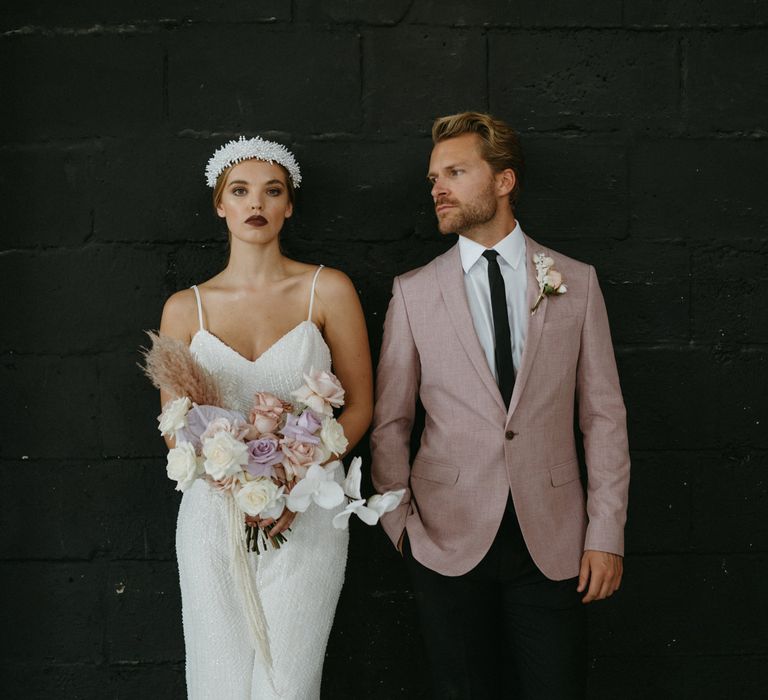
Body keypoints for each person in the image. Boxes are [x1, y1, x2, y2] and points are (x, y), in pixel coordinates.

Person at [371, 112, 630, 699]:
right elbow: (391, 423)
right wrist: (400, 527)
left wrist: (605, 532)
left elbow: (604, 417)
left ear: (504, 181)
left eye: (456, 172)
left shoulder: (576, 282)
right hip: (443, 539)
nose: (438, 188)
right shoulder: (414, 291)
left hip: (557, 540)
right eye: (434, 176)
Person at [159, 136, 373, 699]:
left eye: (272, 191)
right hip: (213, 517)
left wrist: (295, 481)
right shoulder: (186, 308)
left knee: (289, 686)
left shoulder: (327, 289)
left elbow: (362, 406)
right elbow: (176, 427)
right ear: (220, 204)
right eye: (240, 190)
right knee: (217, 681)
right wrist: (238, 479)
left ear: (289, 205)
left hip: (306, 516)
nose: (256, 203)